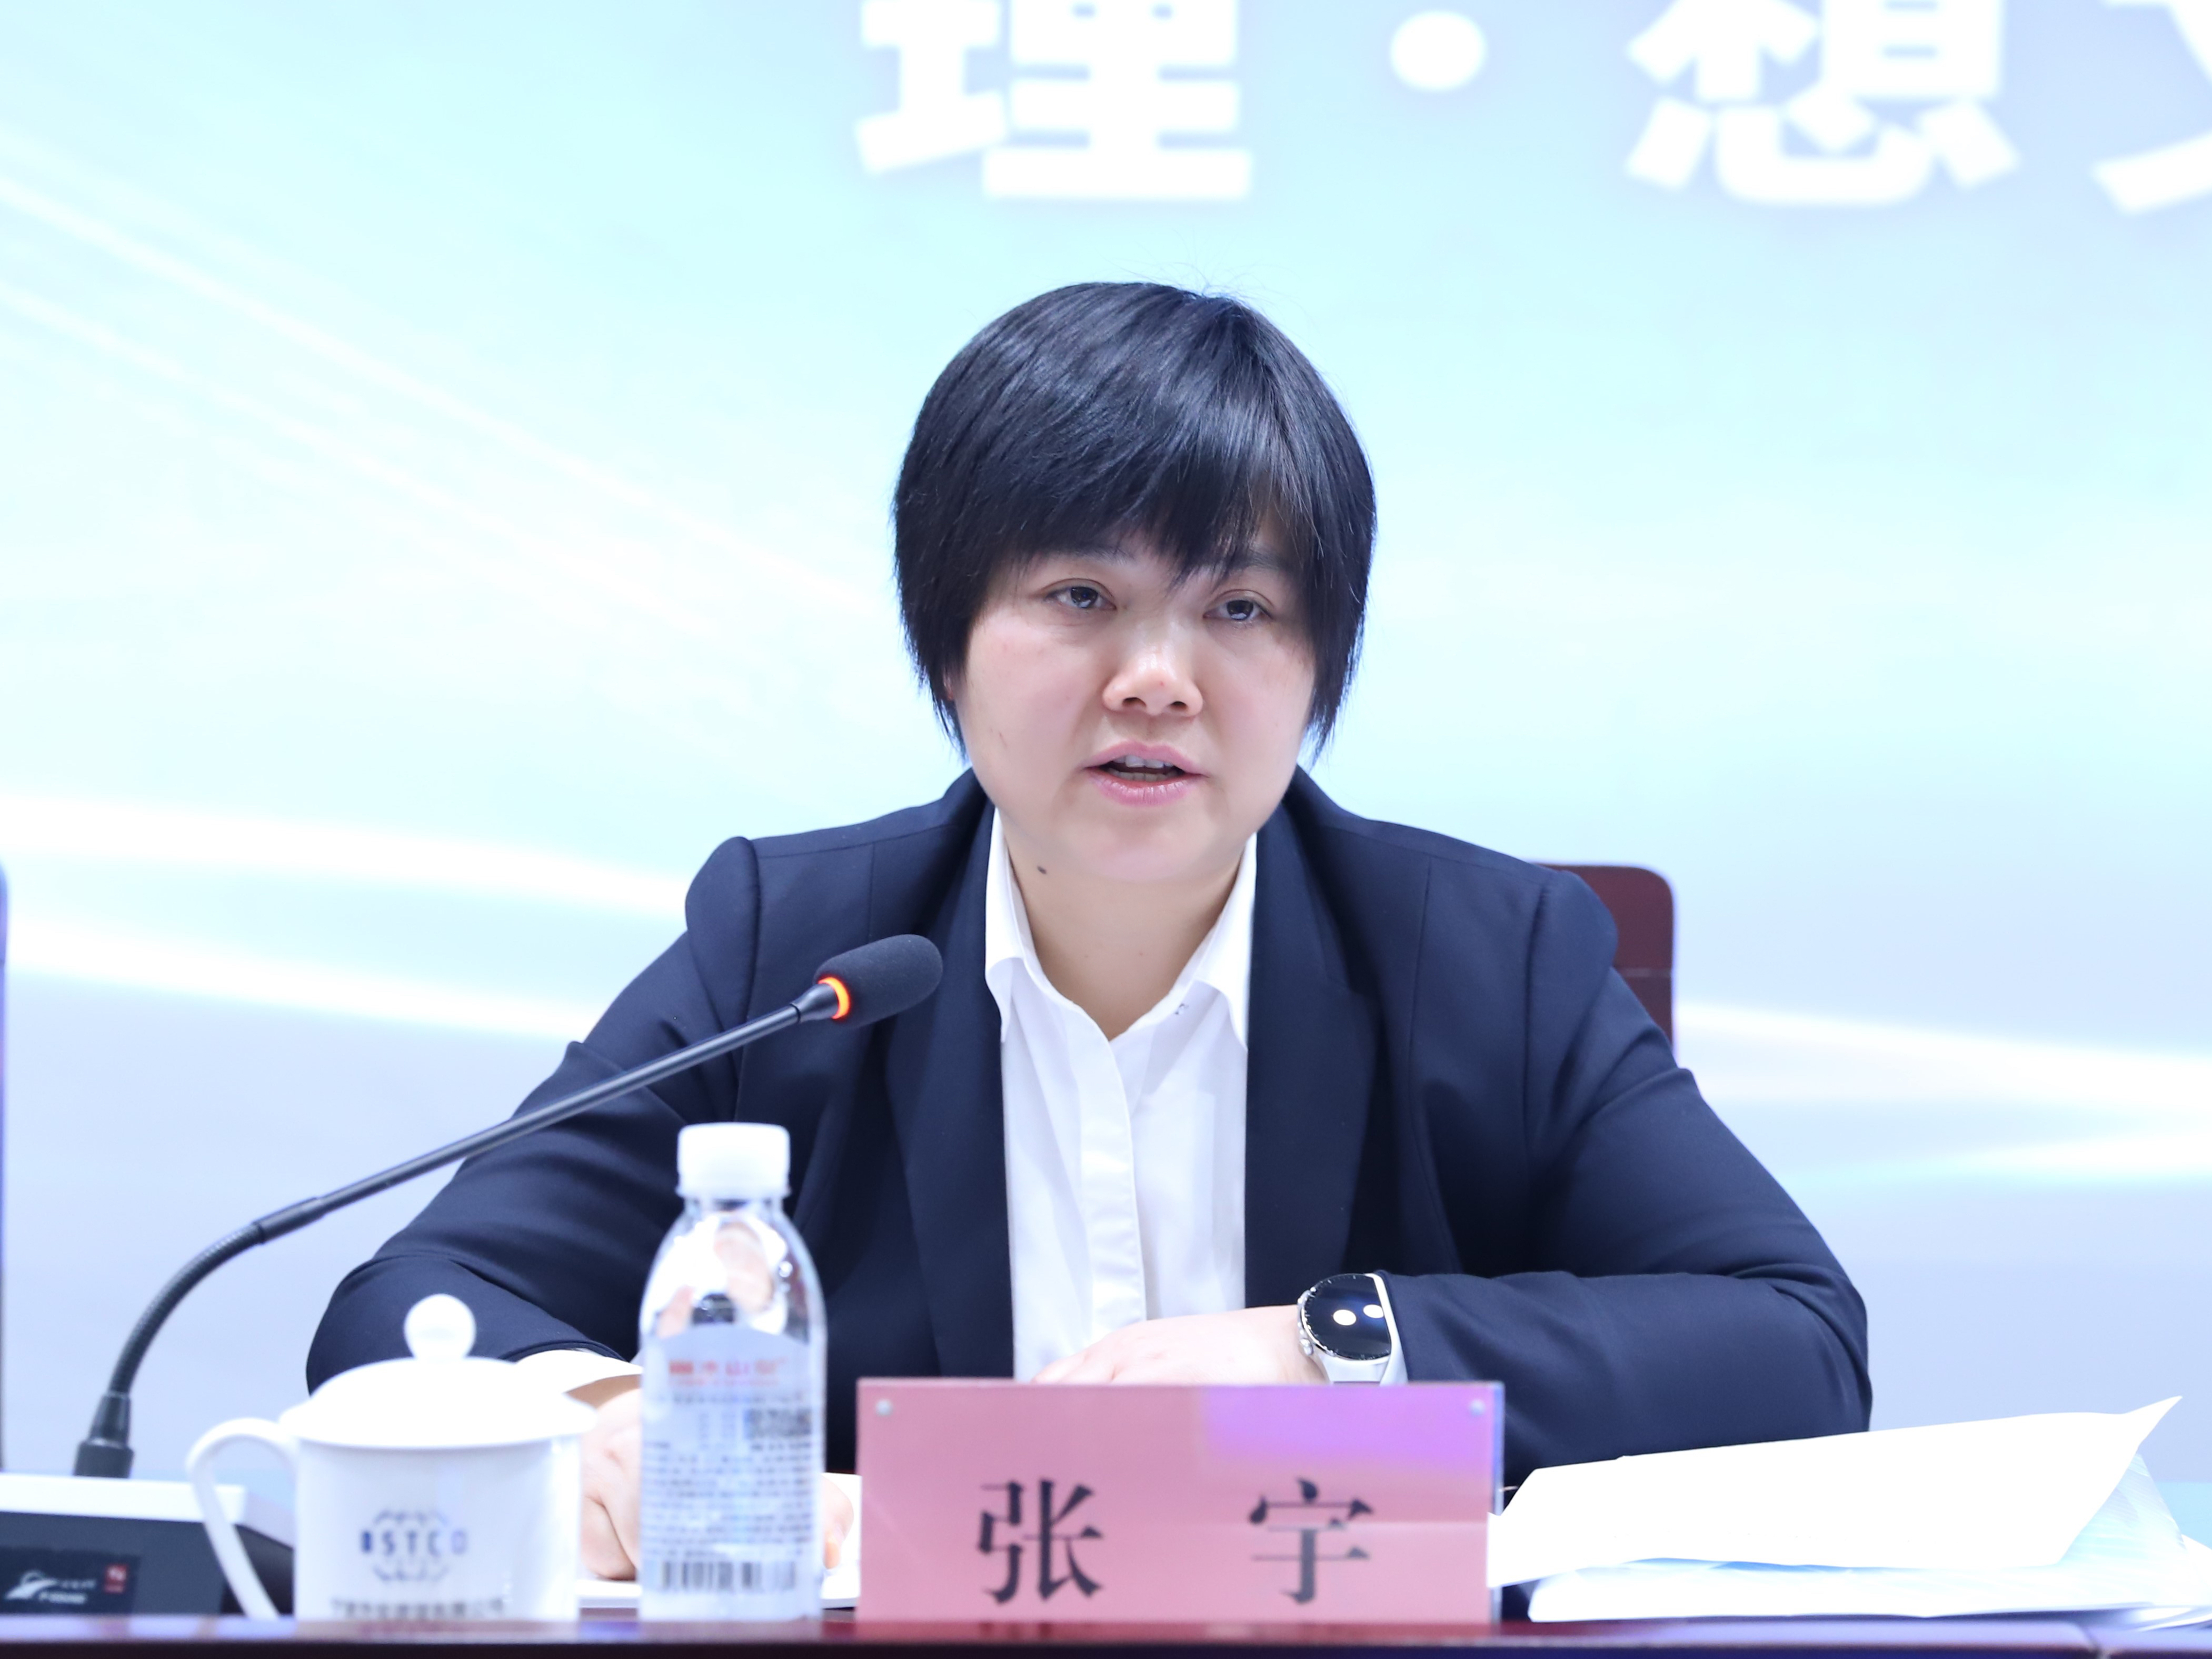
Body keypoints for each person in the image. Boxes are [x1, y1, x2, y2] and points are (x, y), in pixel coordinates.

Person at [308, 281, 1870, 1581]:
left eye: (1239, 610)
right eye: (1078, 596)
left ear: (1320, 667)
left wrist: (1323, 1351)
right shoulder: (804, 950)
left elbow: (1794, 1343)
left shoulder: (1488, 955)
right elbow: (408, 1303)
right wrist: (607, 1419)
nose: (1156, 679)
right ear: (947, 646)